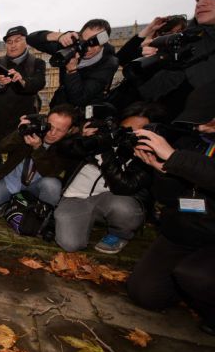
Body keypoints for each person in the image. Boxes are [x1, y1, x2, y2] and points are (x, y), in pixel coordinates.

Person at [128, 80, 215, 335]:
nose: (200, 127)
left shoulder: (180, 151)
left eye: (207, 122)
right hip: (188, 228)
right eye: (195, 122)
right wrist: (163, 171)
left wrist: (175, 158)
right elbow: (170, 198)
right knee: (144, 292)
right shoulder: (194, 140)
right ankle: (190, 291)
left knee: (196, 276)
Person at [54, 102, 164, 254]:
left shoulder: (149, 156)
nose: (128, 135)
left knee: (124, 209)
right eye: (125, 129)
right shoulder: (104, 137)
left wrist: (107, 154)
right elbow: (63, 149)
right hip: (76, 197)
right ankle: (84, 222)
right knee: (69, 244)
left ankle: (119, 234)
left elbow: (124, 186)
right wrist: (82, 137)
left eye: (137, 133)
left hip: (113, 200)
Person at [0, 104, 77, 215]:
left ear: (69, 130)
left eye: (60, 130)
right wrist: (19, 133)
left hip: (38, 185)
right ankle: (16, 202)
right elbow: (2, 147)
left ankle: (43, 213)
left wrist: (38, 148)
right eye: (50, 127)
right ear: (46, 120)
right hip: (13, 179)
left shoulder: (67, 146)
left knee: (52, 185)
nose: (53, 133)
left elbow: (50, 172)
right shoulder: (33, 129)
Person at [0, 26, 46, 177]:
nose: (13, 44)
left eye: (18, 40)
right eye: (9, 41)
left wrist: (22, 81)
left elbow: (39, 82)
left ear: (26, 42)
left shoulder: (36, 62)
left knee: (16, 161)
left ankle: (9, 191)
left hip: (20, 124)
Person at [27, 19, 119, 109]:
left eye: (95, 43)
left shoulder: (109, 63)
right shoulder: (71, 46)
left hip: (85, 114)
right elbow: (31, 39)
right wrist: (59, 36)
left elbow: (79, 99)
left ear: (105, 42)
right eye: (85, 41)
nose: (88, 49)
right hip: (60, 106)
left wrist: (72, 71)